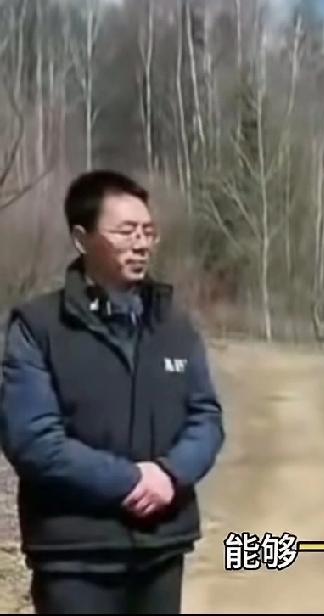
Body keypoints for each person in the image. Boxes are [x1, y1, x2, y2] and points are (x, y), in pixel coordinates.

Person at [0, 170, 225, 614]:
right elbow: (33, 440)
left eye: (148, 232)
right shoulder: (38, 327)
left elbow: (206, 416)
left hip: (161, 547)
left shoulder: (173, 323)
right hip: (75, 556)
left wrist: (170, 475)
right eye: (125, 232)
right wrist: (130, 481)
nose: (141, 244)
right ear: (82, 239)